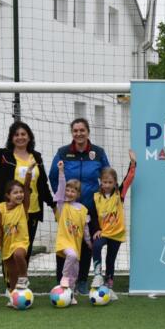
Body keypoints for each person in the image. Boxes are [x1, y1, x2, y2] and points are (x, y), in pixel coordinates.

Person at [0, 106, 54, 282]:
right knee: (9, 250)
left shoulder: (36, 157)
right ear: (11, 138)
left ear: (29, 137)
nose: (20, 137)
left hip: (31, 211)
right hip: (10, 213)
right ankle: (10, 286)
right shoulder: (3, 156)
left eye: (23, 134)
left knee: (24, 250)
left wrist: (52, 204)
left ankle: (22, 282)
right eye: (16, 135)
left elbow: (42, 184)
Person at [49, 118, 109, 295]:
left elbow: (107, 175)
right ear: (72, 133)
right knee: (65, 242)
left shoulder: (98, 152)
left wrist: (102, 198)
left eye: (82, 130)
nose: (79, 133)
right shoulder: (63, 152)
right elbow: (53, 175)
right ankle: (61, 279)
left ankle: (82, 280)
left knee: (87, 243)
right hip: (67, 208)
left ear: (88, 131)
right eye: (75, 130)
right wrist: (61, 198)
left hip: (90, 208)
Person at [91, 150, 137, 301]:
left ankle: (109, 287)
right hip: (104, 232)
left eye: (110, 182)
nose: (107, 185)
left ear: (115, 183)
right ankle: (97, 274)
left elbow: (129, 178)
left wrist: (133, 164)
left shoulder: (119, 194)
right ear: (101, 182)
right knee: (96, 246)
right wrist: (97, 229)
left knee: (110, 260)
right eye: (105, 182)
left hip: (117, 233)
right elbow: (93, 215)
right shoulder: (96, 197)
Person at [54, 161, 92, 305]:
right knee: (72, 256)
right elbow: (61, 186)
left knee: (75, 272)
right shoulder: (62, 205)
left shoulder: (83, 209)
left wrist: (88, 241)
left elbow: (85, 228)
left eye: (73, 191)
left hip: (75, 245)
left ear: (78, 194)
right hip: (64, 242)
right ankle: (63, 277)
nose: (69, 193)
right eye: (67, 190)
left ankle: (70, 294)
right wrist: (61, 172)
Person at [0, 168, 34, 301]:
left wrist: (29, 173)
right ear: (8, 195)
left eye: (20, 192)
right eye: (15, 192)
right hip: (7, 245)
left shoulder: (23, 206)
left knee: (18, 254)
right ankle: (14, 297)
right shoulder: (1, 208)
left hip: (21, 242)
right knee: (12, 274)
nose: (19, 195)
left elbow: (27, 188)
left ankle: (24, 277)